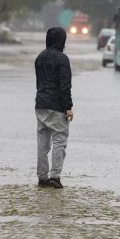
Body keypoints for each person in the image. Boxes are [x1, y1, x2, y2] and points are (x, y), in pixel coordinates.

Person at [34, 27, 74, 189]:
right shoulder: (62, 59)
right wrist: (68, 107)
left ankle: (42, 178)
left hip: (40, 105)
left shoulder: (39, 57)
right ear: (62, 41)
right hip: (56, 106)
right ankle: (55, 177)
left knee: (42, 144)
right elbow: (65, 86)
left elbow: (39, 82)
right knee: (59, 140)